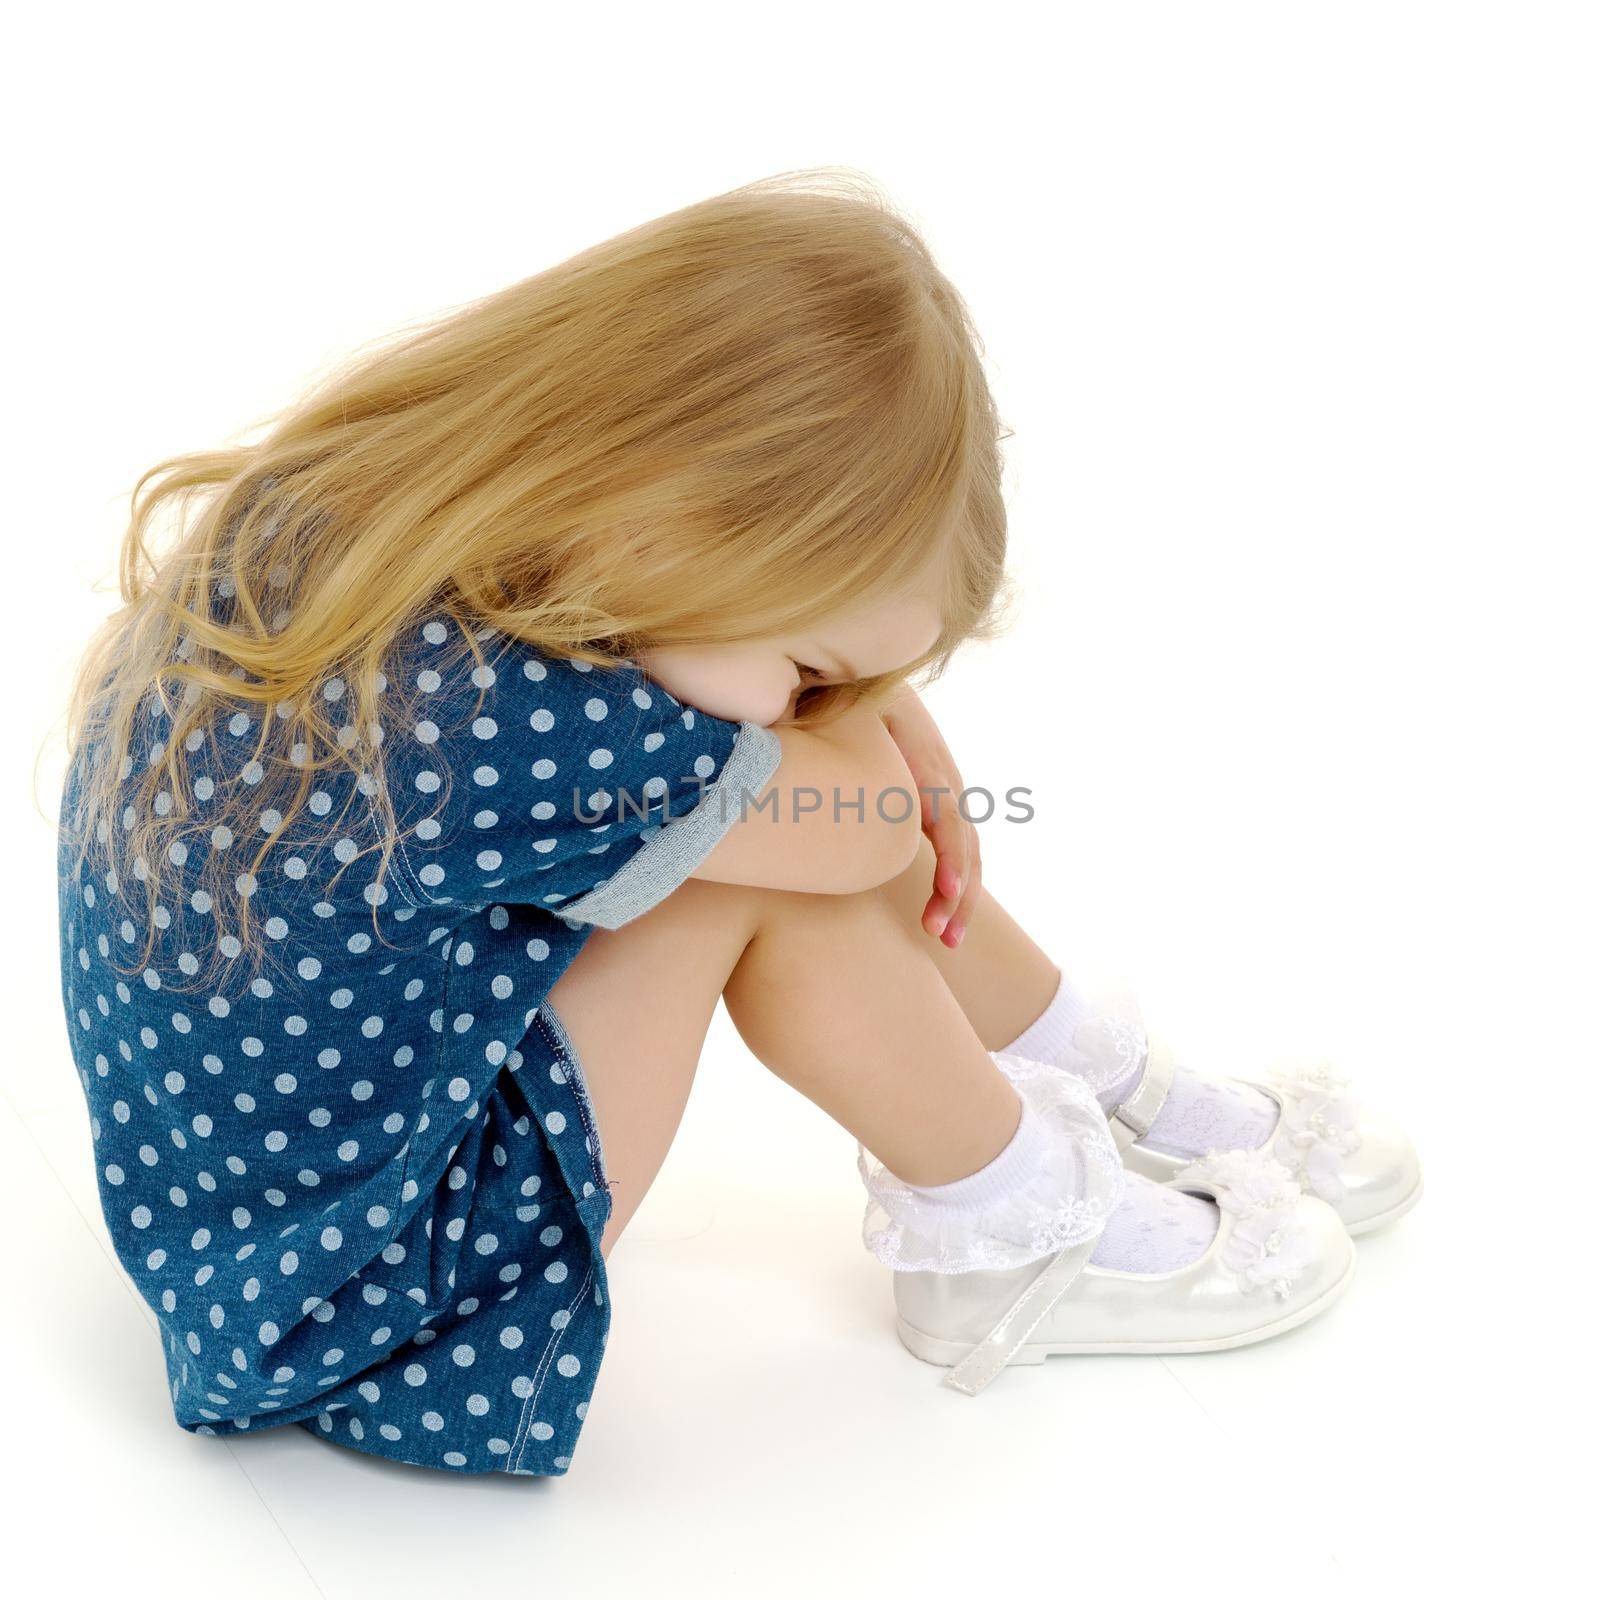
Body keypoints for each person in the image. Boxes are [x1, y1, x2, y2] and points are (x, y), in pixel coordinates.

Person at [54, 168, 1419, 1475]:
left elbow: (829, 786)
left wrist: (836, 719)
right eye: (817, 662)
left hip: (248, 1243)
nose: (833, 700)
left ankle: (1107, 1088)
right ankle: (1012, 1225)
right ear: (676, 531)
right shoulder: (503, 717)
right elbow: (869, 829)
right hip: (369, 1305)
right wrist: (873, 760)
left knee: (754, 809)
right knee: (760, 878)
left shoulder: (366, 523)